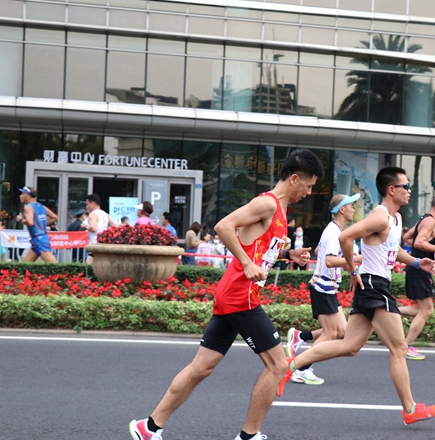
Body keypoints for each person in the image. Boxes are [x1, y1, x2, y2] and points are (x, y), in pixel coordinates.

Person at [128, 148, 323, 440]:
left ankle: (149, 427)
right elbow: (224, 226)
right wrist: (246, 264)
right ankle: (249, 436)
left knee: (201, 367)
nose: (308, 193)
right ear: (294, 179)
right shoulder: (267, 203)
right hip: (241, 296)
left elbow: (258, 248)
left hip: (234, 295)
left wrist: (288, 254)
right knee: (278, 365)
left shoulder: (280, 211)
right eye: (308, 186)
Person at [278, 166, 435, 426]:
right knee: (399, 348)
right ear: (392, 189)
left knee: (349, 346)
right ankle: (410, 409)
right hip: (374, 286)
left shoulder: (396, 219)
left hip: (374, 286)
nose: (410, 191)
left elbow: (394, 250)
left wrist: (416, 262)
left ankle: (288, 366)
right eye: (407, 186)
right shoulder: (380, 217)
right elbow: (346, 237)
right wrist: (353, 271)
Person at [285, 193, 362, 385]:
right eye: (351, 206)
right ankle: (301, 368)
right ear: (342, 210)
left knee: (342, 330)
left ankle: (301, 336)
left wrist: (345, 261)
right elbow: (329, 260)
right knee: (330, 333)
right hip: (323, 287)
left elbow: (320, 251)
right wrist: (353, 260)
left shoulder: (334, 230)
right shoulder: (335, 232)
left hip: (327, 287)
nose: (353, 209)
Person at [398, 194, 435, 360]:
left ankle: (388, 311)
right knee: (427, 310)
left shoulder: (424, 219)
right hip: (419, 269)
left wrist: (427, 251)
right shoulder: (430, 221)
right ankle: (406, 347)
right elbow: (417, 242)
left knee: (424, 310)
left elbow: (407, 238)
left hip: (418, 267)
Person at [15, 186, 58, 263]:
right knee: (23, 267)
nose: (20, 196)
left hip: (39, 241)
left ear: (29, 196)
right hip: (37, 241)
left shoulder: (28, 207)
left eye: (22, 194)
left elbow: (30, 222)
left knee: (54, 267)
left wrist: (21, 219)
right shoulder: (42, 206)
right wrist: (41, 224)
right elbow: (54, 217)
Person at [81, 194, 112, 264]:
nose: (87, 207)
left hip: (94, 245)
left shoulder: (93, 214)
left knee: (88, 266)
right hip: (103, 244)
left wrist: (85, 226)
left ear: (93, 204)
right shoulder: (105, 214)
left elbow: (94, 228)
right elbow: (114, 226)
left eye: (87, 204)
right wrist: (105, 231)